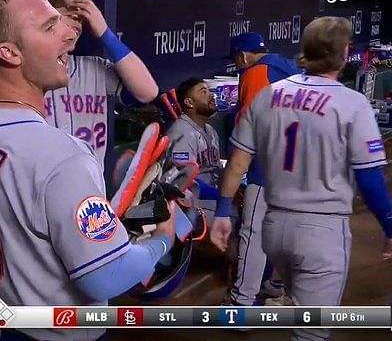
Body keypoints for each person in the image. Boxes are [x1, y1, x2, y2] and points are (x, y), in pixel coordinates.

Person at [0, 0, 174, 341]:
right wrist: (163, 241)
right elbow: (107, 276)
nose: (68, 34)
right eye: (50, 26)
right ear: (10, 53)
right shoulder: (62, 157)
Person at [211, 17, 392, 341]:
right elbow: (369, 178)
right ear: (344, 53)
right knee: (311, 332)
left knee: (271, 266)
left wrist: (223, 210)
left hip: (274, 223)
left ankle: (258, 300)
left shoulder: (267, 93)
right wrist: (390, 225)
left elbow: (237, 162)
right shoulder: (352, 103)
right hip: (321, 230)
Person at [0, 0, 159, 166]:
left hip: (88, 186)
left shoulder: (92, 69)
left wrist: (105, 33)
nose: (77, 24)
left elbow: (147, 92)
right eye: (69, 15)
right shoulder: (14, 73)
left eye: (81, 19)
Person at [214, 32, 300, 306]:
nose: (238, 66)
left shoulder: (255, 73)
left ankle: (242, 302)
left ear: (243, 56)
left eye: (236, 61)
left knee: (254, 234)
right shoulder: (291, 68)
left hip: (270, 168)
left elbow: (248, 137)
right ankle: (281, 288)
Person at [165, 77, 222, 220]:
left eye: (209, 91)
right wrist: (222, 196)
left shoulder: (210, 130)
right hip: (189, 204)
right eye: (203, 92)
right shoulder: (182, 131)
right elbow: (181, 181)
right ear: (189, 102)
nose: (211, 95)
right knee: (236, 216)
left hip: (211, 198)